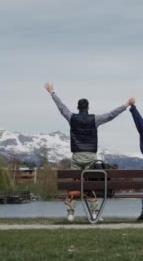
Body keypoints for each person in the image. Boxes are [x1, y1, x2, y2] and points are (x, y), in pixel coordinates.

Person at [45, 82, 135, 222]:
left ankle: (70, 212)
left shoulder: (72, 117)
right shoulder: (95, 119)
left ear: (77, 108)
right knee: (90, 184)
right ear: (88, 108)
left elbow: (61, 108)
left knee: (75, 183)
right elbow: (111, 115)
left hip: (76, 156)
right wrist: (126, 104)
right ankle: (94, 213)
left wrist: (52, 92)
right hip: (90, 156)